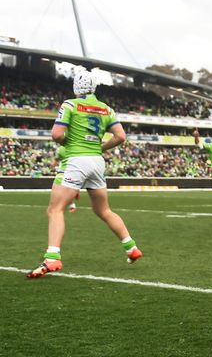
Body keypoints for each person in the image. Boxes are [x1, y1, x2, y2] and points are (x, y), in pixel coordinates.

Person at [27, 70, 142, 278]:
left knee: (55, 209)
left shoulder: (70, 105)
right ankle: (131, 247)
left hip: (75, 160)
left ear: (76, 87)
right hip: (96, 161)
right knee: (104, 210)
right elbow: (120, 136)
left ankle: (52, 257)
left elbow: (56, 134)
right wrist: (101, 147)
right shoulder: (107, 109)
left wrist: (66, 142)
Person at [51, 146, 79, 213]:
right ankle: (71, 204)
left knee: (57, 193)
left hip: (62, 173)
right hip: (74, 172)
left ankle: (61, 208)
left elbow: (54, 162)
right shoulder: (77, 146)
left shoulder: (61, 148)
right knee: (68, 190)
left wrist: (52, 164)